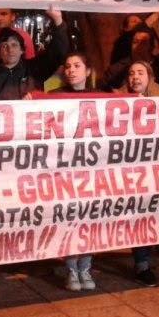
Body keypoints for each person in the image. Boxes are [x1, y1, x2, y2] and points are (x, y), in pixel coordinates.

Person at [49, 52, 98, 291]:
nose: (71, 70)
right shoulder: (52, 97)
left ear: (88, 71)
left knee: (88, 219)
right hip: (64, 171)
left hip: (91, 171)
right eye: (67, 66)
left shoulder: (101, 98)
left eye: (77, 65)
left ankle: (85, 267)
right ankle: (71, 269)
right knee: (69, 219)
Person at [114, 60, 159, 285]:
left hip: (156, 167)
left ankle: (147, 256)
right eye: (131, 73)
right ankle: (142, 263)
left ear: (150, 77)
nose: (135, 77)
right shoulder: (116, 101)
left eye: (140, 73)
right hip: (129, 170)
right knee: (139, 213)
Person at [0, 8, 66, 101]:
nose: (10, 50)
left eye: (14, 45)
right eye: (4, 46)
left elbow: (57, 53)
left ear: (22, 50)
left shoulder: (34, 69)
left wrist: (58, 21)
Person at [101, 26, 159, 90]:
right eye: (135, 42)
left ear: (151, 47)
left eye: (143, 43)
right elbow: (103, 89)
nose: (138, 47)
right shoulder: (117, 69)